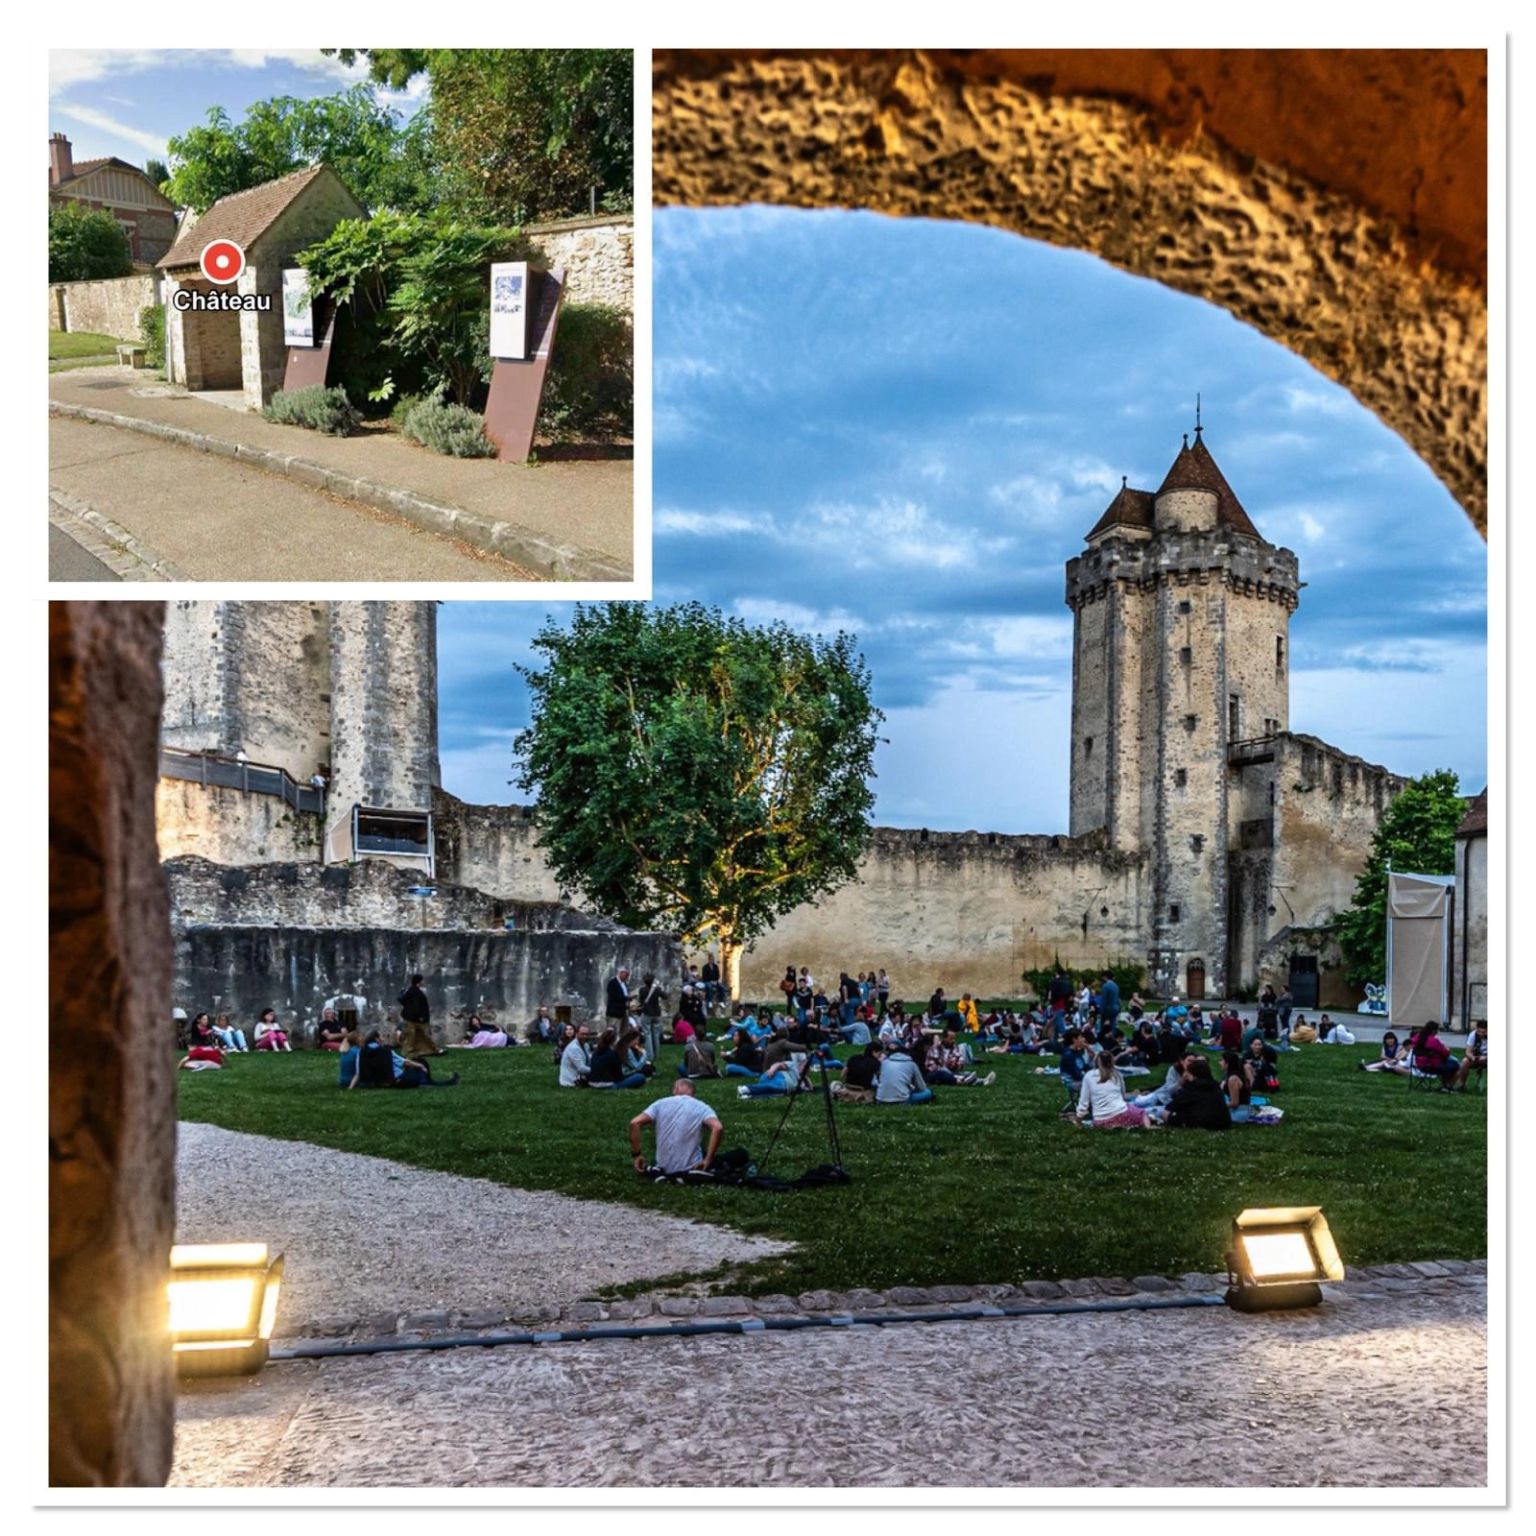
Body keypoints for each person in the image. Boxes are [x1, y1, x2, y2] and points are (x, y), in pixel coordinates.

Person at [629, 1080, 724, 1176]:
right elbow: (717, 1127)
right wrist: (708, 1160)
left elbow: (635, 1123)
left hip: (663, 1166)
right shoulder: (702, 1107)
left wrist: (637, 1155)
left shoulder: (660, 1104)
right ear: (693, 1093)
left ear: (676, 1089)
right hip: (692, 1167)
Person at [1072, 1049, 1149, 1128]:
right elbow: (1122, 1096)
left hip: (1100, 1121)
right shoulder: (1117, 1075)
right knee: (1142, 1113)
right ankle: (1148, 1128)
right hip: (1121, 1113)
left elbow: (1084, 1101)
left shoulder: (1089, 1076)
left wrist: (1078, 1120)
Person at [1165, 1056, 1231, 1129]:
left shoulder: (1193, 1087)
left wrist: (1184, 1082)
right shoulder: (1215, 1085)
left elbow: (1172, 1106)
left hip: (1204, 1122)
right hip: (1224, 1122)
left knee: (1165, 1113)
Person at [924, 1028, 995, 1087]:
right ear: (944, 1038)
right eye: (951, 1039)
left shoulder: (954, 1047)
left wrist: (956, 1064)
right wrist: (946, 1065)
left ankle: (982, 1081)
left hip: (953, 1072)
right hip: (937, 1074)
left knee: (966, 1073)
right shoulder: (935, 1048)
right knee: (943, 1071)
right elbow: (931, 1067)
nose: (953, 1041)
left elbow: (960, 1060)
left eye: (954, 1038)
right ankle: (967, 1080)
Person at [1406, 1020, 1460, 1088]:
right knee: (1456, 1065)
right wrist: (1447, 1049)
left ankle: (1445, 1085)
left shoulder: (1417, 1038)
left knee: (1449, 1064)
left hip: (1419, 1065)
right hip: (1433, 1066)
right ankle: (1447, 1086)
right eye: (1437, 1030)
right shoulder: (1434, 1041)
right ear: (1433, 1031)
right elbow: (1446, 1054)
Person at [398, 975, 438, 1058]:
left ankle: (426, 1050)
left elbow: (403, 1001)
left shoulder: (411, 990)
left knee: (416, 1036)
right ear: (419, 982)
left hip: (413, 1018)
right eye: (422, 980)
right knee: (414, 1036)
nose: (424, 982)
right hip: (416, 1019)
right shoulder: (415, 992)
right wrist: (419, 1017)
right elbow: (415, 1006)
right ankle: (410, 1052)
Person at [634, 971, 666, 1061]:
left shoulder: (642, 990)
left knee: (647, 1034)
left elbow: (641, 1001)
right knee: (656, 1034)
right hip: (657, 1013)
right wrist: (661, 989)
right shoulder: (658, 989)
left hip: (647, 1012)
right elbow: (665, 996)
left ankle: (650, 1055)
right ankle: (656, 1054)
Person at [1451, 1022, 1488, 1090]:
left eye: (1483, 1032)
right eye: (1479, 1031)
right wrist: (1473, 1057)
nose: (1481, 1034)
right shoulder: (1473, 1035)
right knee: (1465, 1061)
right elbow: (1468, 1051)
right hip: (1477, 1057)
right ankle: (1462, 1085)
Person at [1220, 1050, 1253, 1124]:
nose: (1220, 1063)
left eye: (1222, 1060)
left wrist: (1218, 1106)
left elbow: (1235, 1103)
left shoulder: (1233, 1079)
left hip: (1239, 1112)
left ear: (1227, 1064)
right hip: (1242, 1109)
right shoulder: (1235, 1075)